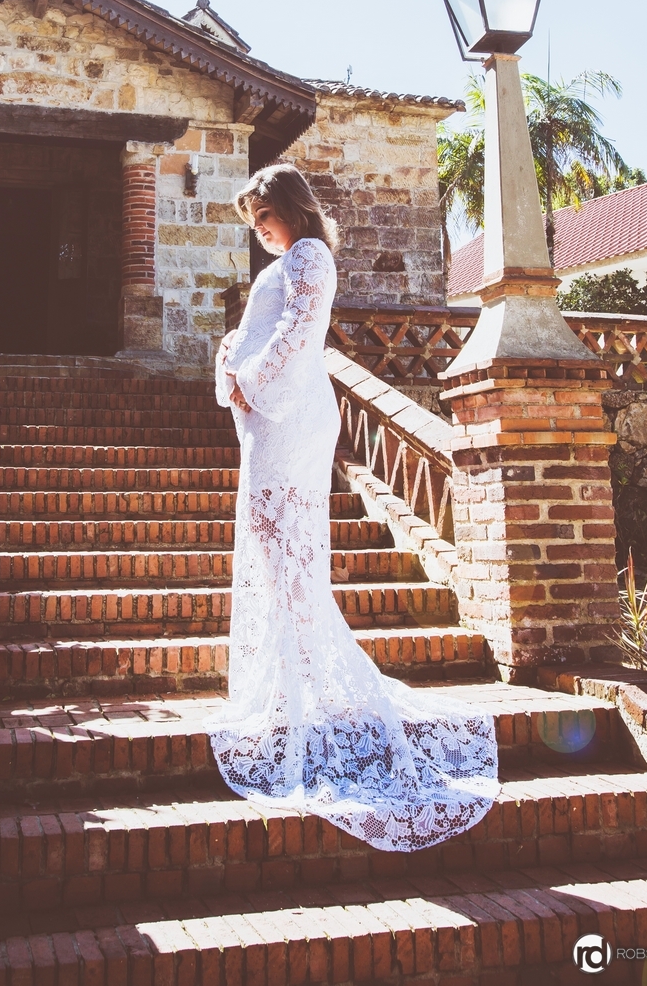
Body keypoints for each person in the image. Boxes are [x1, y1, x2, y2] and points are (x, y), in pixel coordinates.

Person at [210, 163, 498, 852]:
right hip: (269, 418)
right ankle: (289, 684)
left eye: (265, 216)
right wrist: (230, 365)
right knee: (272, 553)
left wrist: (250, 378)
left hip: (290, 417)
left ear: (291, 207)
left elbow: (299, 331)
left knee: (286, 552)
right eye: (254, 222)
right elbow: (252, 332)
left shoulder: (311, 254)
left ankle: (302, 688)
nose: (260, 230)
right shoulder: (286, 261)